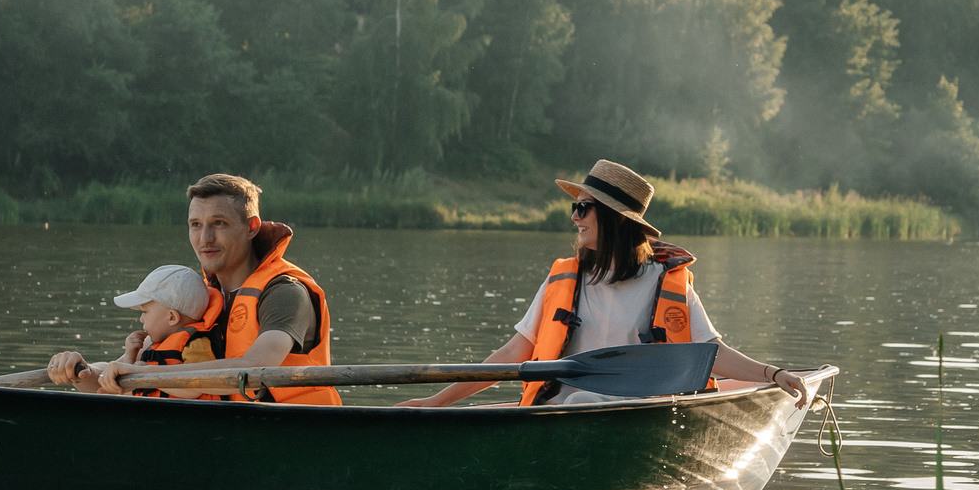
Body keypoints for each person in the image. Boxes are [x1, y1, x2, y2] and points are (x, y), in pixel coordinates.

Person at [403, 158, 814, 408]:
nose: (574, 217)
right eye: (574, 207)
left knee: (584, 401)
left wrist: (773, 374)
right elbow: (514, 354)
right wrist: (434, 402)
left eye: (584, 208)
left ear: (615, 219)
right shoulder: (565, 278)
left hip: (629, 417)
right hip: (560, 416)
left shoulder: (663, 281)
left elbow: (708, 353)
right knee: (576, 400)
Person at [47, 173, 341, 405]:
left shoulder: (286, 292)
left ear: (252, 227)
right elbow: (132, 369)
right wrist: (80, 370)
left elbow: (257, 366)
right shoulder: (199, 299)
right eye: (196, 224)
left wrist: (147, 375)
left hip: (293, 431)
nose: (205, 238)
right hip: (225, 433)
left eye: (219, 223)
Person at [50, 264, 221, 396]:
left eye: (145, 312)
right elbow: (105, 381)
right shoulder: (152, 345)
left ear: (172, 318)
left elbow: (197, 387)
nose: (141, 319)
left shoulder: (196, 344)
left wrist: (144, 374)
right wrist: (130, 356)